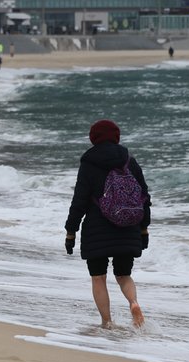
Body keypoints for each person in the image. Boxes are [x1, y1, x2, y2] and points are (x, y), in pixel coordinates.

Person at [64, 119, 151, 329]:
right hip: (127, 227)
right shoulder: (129, 160)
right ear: (116, 136)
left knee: (98, 278)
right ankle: (134, 302)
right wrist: (143, 228)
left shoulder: (88, 163)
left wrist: (71, 231)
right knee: (123, 275)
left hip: (97, 229)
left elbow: (80, 200)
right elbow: (144, 196)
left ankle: (107, 322)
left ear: (93, 138)